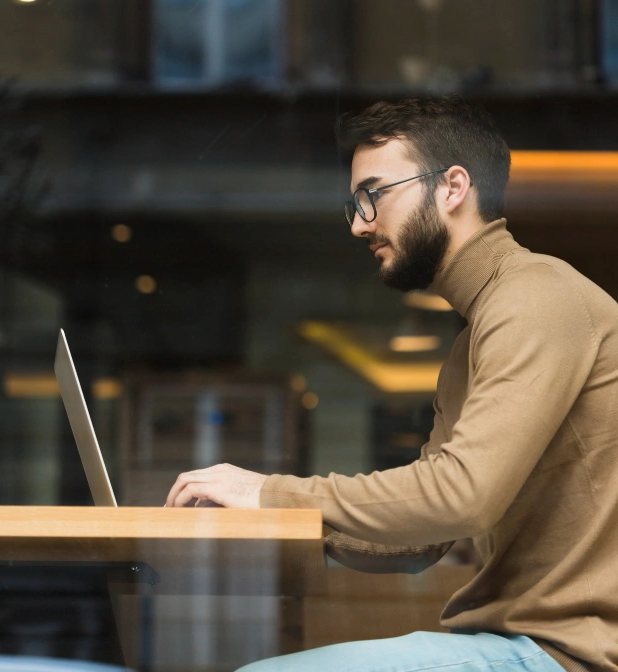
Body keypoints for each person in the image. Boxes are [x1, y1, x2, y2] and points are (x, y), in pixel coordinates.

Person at [165, 96, 618, 672]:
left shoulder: (536, 297)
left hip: (564, 656)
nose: (360, 224)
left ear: (453, 187)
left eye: (373, 195)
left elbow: (461, 495)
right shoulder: (474, 339)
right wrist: (271, 515)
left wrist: (268, 492)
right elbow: (416, 544)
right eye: (355, 203)